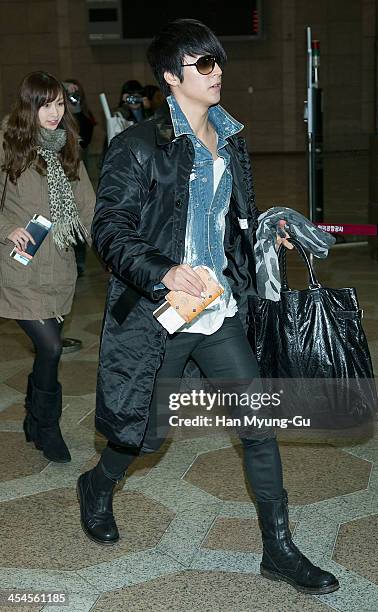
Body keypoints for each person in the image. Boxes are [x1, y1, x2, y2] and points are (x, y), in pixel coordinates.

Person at [78, 20, 339, 596]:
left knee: (258, 428)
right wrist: (165, 270)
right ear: (171, 77)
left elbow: (228, 224)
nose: (216, 71)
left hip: (220, 314)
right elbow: (110, 231)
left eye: (217, 61)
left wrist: (266, 235)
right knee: (142, 435)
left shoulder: (231, 139)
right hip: (163, 317)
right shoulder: (137, 146)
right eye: (202, 64)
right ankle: (98, 485)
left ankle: (280, 549)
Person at [0, 71, 95, 463]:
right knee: (52, 347)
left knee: (47, 353)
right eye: (46, 105)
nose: (55, 113)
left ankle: (32, 418)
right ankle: (46, 424)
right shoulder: (8, 143)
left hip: (59, 266)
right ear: (29, 106)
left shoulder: (68, 146)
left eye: (60, 104)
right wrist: (7, 229)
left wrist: (111, 248)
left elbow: (87, 205)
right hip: (20, 267)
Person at [63, 78, 97, 276]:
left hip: (79, 166)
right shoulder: (57, 113)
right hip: (64, 171)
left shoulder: (83, 113)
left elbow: (84, 131)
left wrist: (75, 102)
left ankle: (81, 261)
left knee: (83, 213)